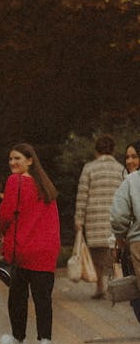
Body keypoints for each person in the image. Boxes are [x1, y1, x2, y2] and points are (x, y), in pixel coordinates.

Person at [0, 143, 60, 344]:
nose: (13, 163)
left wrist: (3, 233)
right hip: (45, 251)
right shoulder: (46, 186)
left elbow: (5, 215)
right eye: (10, 159)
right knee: (43, 298)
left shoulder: (15, 181)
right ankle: (46, 343)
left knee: (17, 297)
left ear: (30, 160)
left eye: (17, 158)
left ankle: (19, 342)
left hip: (22, 250)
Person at [74, 134, 124, 298]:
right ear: (113, 150)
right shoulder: (120, 168)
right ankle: (115, 285)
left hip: (94, 216)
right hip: (114, 216)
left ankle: (99, 286)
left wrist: (79, 219)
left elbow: (82, 195)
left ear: (96, 151)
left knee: (96, 254)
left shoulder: (89, 168)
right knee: (114, 253)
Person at [110, 138, 140, 324]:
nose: (129, 161)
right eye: (127, 157)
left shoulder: (131, 181)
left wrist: (121, 237)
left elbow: (118, 217)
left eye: (135, 156)